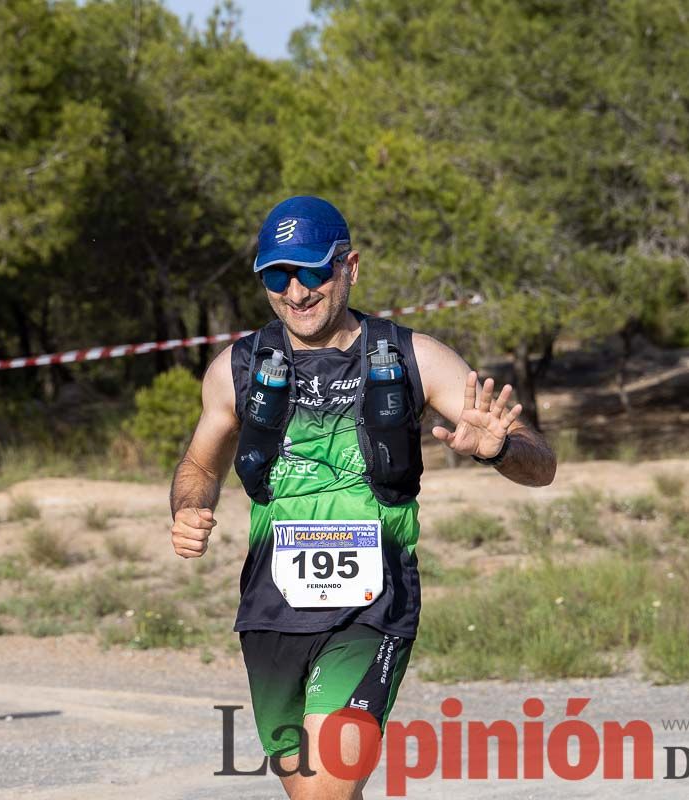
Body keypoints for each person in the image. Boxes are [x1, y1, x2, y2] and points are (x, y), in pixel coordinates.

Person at [170, 196, 556, 799]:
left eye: (312, 271)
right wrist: (189, 508)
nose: (295, 292)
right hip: (270, 606)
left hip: (372, 606)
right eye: (277, 275)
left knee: (329, 790)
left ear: (349, 266)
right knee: (306, 790)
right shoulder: (236, 367)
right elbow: (199, 463)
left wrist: (500, 451)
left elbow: (542, 467)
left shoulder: (413, 357)